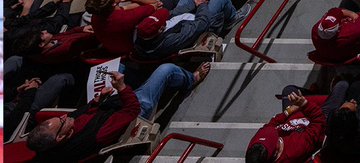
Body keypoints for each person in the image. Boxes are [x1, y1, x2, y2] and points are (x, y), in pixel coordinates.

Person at [27, 64, 209, 160]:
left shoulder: (60, 137)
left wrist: (96, 102)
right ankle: (191, 79)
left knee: (119, 66)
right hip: (133, 110)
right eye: (62, 121)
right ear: (60, 138)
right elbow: (132, 110)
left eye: (61, 116)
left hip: (111, 105)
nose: (65, 116)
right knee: (166, 70)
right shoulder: (97, 135)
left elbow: (83, 113)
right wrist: (122, 87)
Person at [245, 88, 326, 163]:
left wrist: (289, 111)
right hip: (316, 119)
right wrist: (304, 104)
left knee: (289, 90)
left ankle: (313, 92)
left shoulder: (255, 147)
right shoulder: (295, 149)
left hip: (296, 114)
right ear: (276, 153)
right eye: (272, 140)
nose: (266, 135)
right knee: (338, 89)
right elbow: (319, 121)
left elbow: (270, 125)